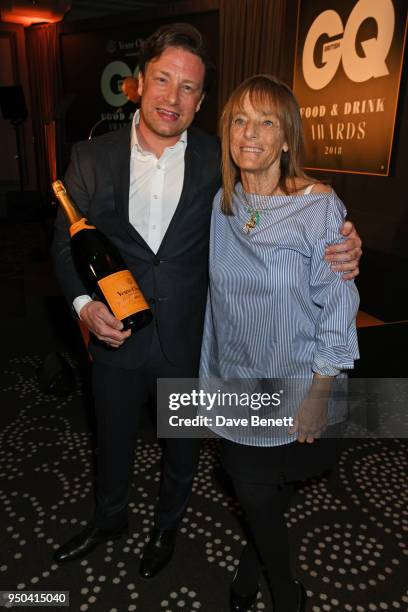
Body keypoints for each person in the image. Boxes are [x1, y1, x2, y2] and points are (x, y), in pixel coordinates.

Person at [51, 23, 362, 581]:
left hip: (193, 347)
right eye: (164, 80)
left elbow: (288, 203)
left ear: (200, 100)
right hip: (116, 337)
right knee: (111, 440)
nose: (174, 97)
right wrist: (82, 305)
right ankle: (110, 517)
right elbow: (64, 244)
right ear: (138, 83)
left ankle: (168, 526)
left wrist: (343, 237)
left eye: (189, 87)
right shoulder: (90, 158)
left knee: (183, 450)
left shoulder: (224, 162)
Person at [199, 74, 360, 611]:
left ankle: (285, 595)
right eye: (240, 120)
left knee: (260, 489)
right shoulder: (224, 202)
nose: (251, 133)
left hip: (295, 386)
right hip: (238, 382)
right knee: (255, 489)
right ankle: (261, 566)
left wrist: (319, 394)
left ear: (287, 138)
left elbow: (338, 310)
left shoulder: (318, 209)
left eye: (267, 121)